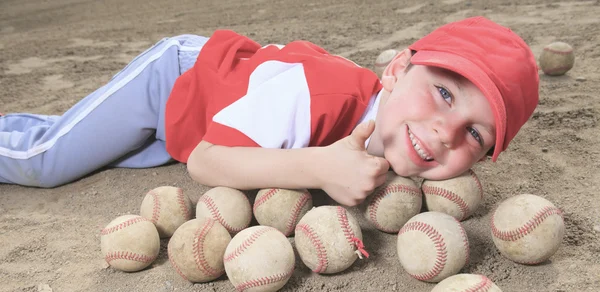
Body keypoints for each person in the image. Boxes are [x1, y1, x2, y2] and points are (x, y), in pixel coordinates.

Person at [0, 16, 539, 206]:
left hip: (220, 115)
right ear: (397, 70)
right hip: (176, 83)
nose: (446, 134)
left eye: (476, 134)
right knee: (47, 160)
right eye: (445, 93)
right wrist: (320, 168)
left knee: (120, 157)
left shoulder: (405, 133)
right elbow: (206, 163)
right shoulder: (317, 96)